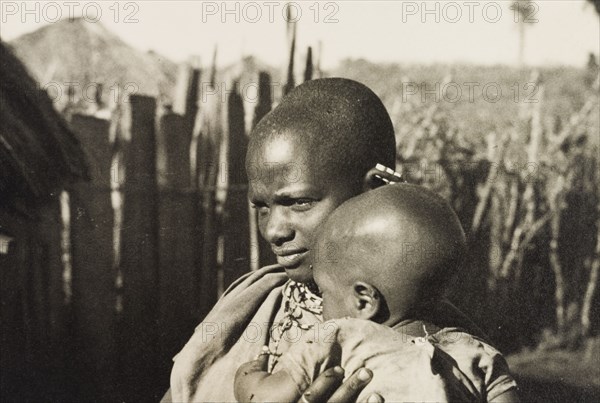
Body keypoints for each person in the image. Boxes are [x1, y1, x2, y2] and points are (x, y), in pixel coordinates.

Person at [165, 78, 500, 402]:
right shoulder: (245, 309)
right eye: (262, 207)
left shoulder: (441, 348)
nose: (274, 231)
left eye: (299, 202)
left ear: (377, 188)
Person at [234, 183, 519, 402]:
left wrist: (246, 382)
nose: (322, 306)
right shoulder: (480, 355)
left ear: (363, 300)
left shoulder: (339, 337)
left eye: (324, 292)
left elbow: (268, 398)